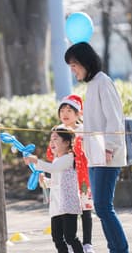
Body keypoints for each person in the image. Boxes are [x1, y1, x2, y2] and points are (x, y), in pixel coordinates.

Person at [65, 42, 129, 253]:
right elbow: (97, 123)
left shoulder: (103, 82)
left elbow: (114, 119)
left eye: (74, 65)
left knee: (103, 207)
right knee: (101, 208)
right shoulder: (93, 85)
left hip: (106, 154)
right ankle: (116, 248)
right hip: (95, 155)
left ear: (85, 61)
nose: (72, 70)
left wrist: (109, 147)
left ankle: (120, 249)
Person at [24, 127, 84, 253]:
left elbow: (53, 168)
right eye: (51, 139)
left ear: (67, 143)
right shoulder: (57, 160)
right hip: (57, 205)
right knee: (56, 238)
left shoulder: (69, 158)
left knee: (70, 237)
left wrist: (36, 161)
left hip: (68, 204)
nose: (52, 142)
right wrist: (45, 181)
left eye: (55, 139)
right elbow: (57, 182)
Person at [57, 94, 95, 253]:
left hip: (83, 177)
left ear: (78, 113)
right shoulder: (58, 131)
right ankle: (72, 243)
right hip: (65, 179)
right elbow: (51, 153)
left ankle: (87, 244)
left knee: (86, 210)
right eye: (62, 110)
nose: (65, 114)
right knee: (68, 211)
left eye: (69, 110)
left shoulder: (84, 131)